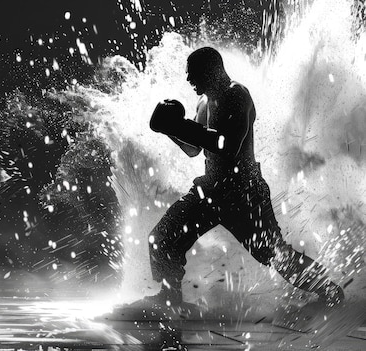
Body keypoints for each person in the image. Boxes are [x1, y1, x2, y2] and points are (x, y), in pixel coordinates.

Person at [144, 47, 344, 309]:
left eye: (193, 74)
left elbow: (227, 146)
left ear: (211, 70)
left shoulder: (236, 95)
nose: (189, 81)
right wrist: (170, 130)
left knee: (275, 255)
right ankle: (169, 298)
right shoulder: (203, 102)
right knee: (162, 237)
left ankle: (327, 288)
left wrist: (180, 126)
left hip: (243, 192)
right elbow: (194, 149)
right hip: (210, 191)